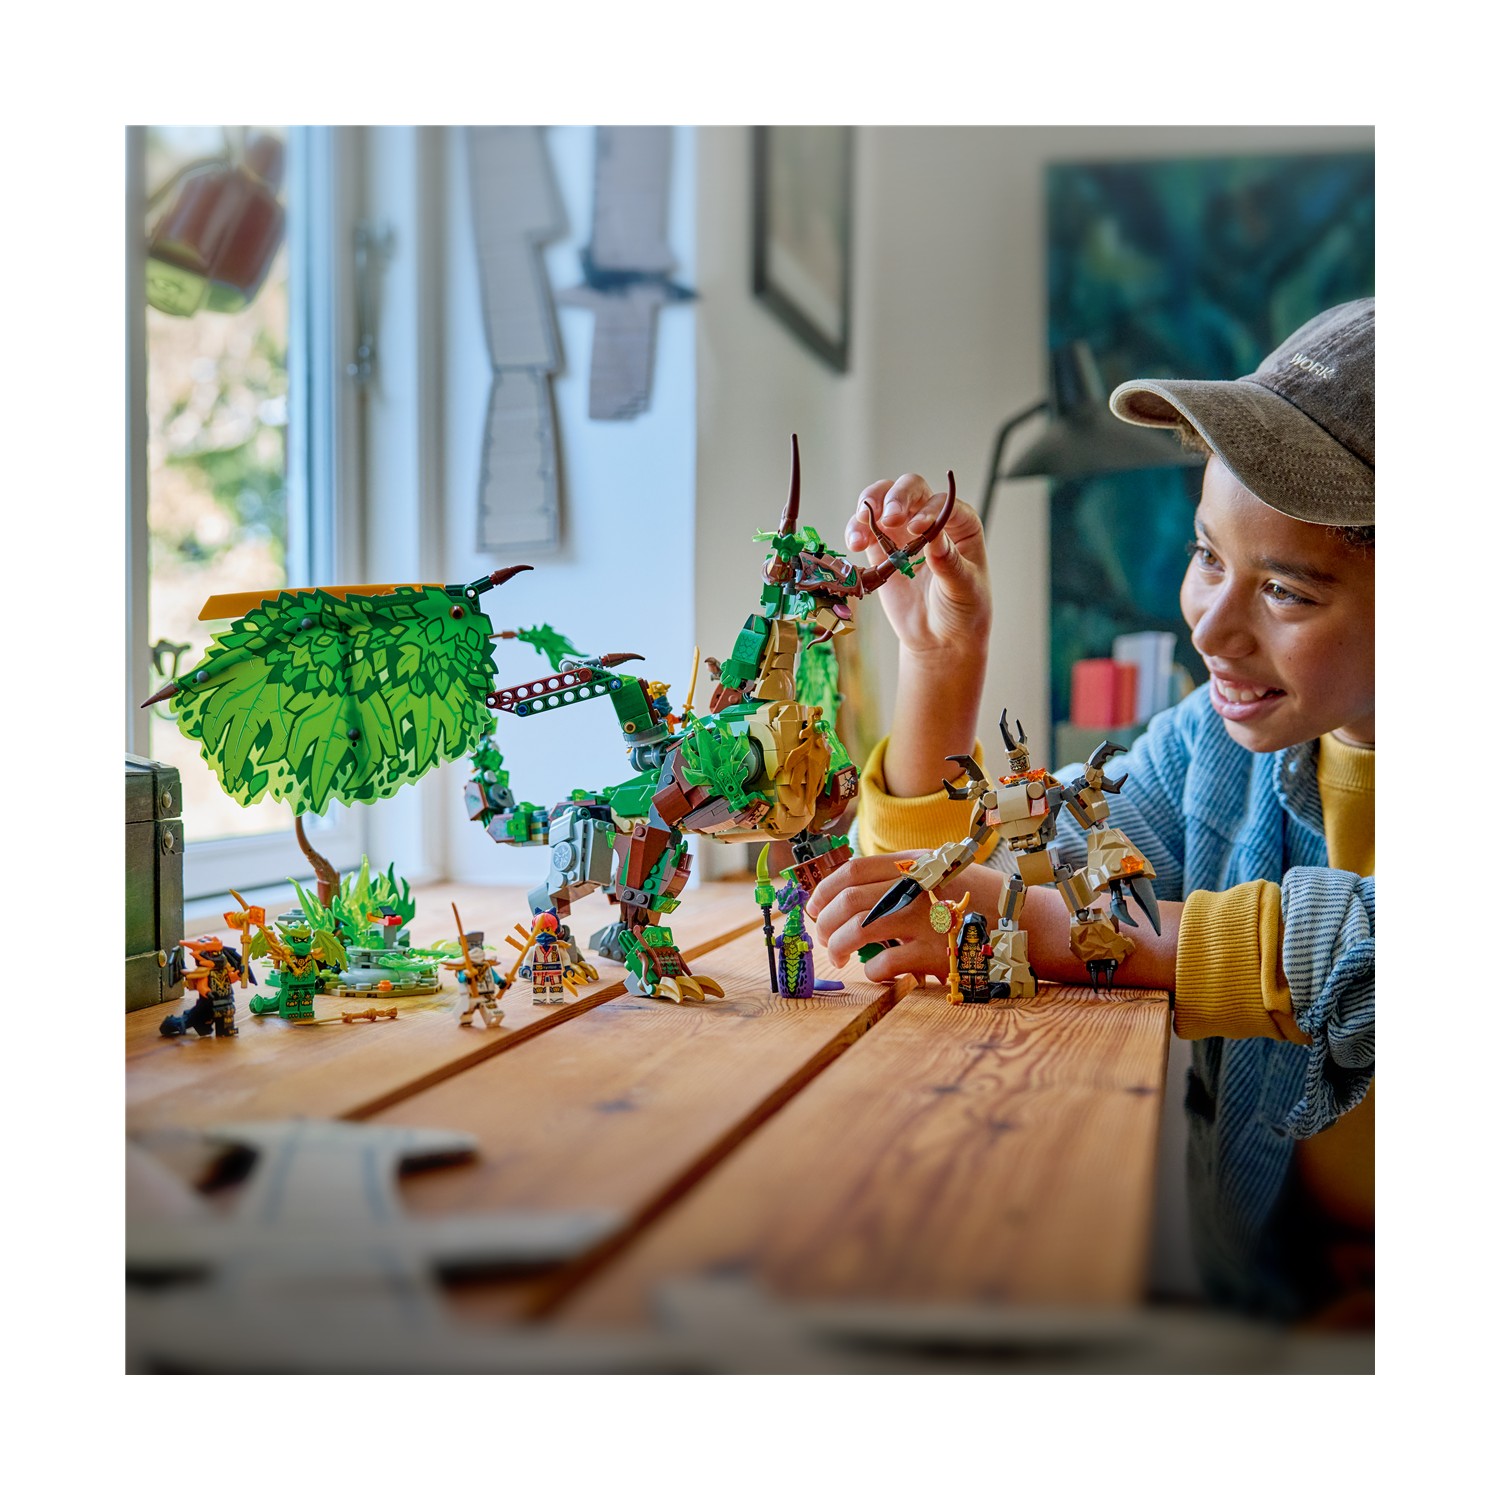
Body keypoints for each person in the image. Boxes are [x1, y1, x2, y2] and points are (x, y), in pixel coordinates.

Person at [807, 298, 1375, 1324]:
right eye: (1208, 556)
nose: (1211, 628)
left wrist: (1064, 933)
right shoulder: (1216, 749)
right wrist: (941, 663)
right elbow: (1018, 873)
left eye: (1287, 591)